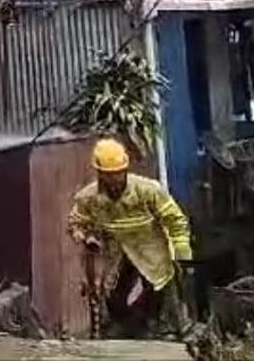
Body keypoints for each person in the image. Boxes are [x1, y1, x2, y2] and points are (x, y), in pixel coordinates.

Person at [68, 137, 193, 338]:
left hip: (150, 250)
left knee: (161, 294)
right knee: (113, 297)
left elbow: (175, 219)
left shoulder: (148, 190)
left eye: (119, 173)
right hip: (116, 253)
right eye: (110, 174)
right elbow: (76, 223)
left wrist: (182, 252)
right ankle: (129, 331)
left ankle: (163, 330)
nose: (115, 178)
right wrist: (86, 237)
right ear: (100, 173)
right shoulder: (88, 198)